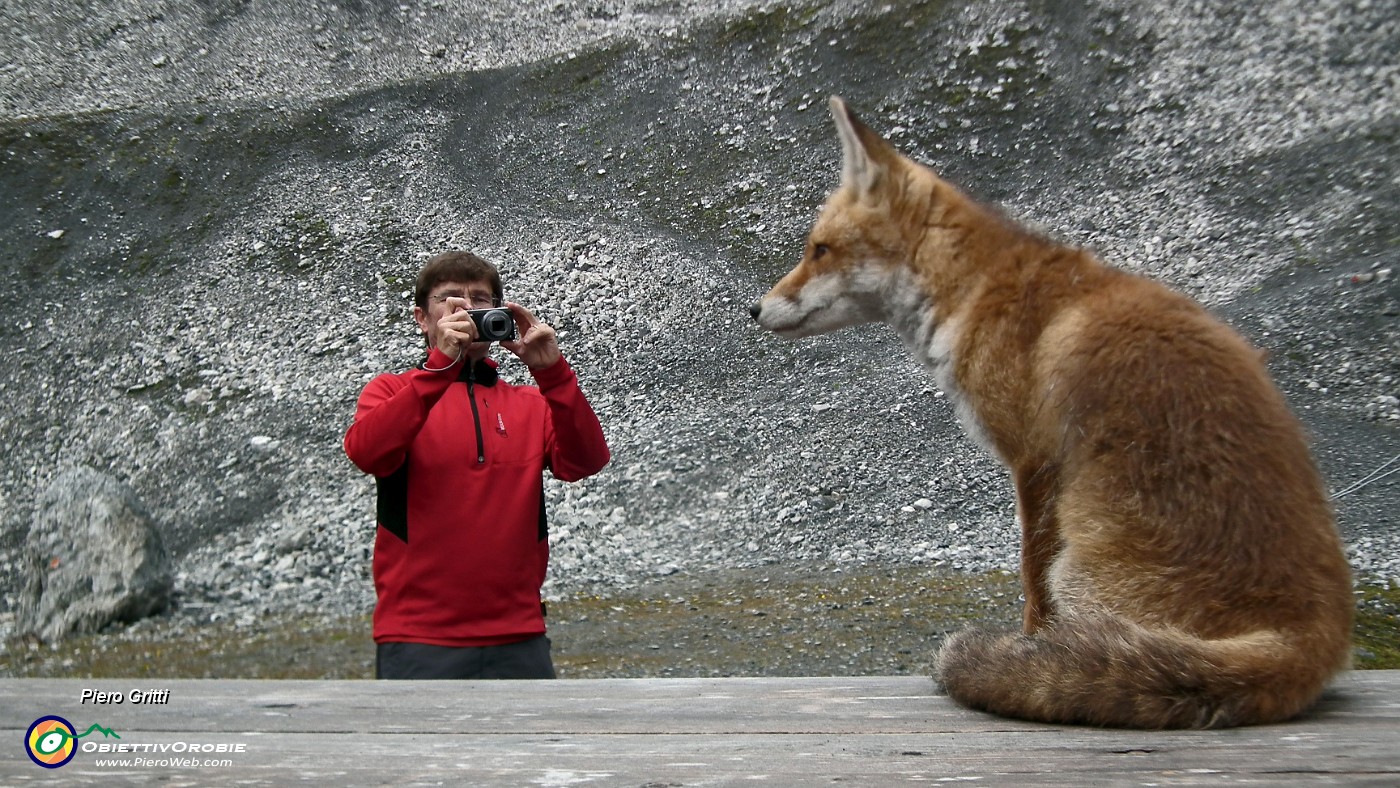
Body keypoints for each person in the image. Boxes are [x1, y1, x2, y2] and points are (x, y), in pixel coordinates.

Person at [344, 250, 610, 679]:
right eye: (450, 298)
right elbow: (366, 452)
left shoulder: (529, 402)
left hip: (519, 636)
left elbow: (586, 461)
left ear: (500, 313)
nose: (467, 308)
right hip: (418, 639)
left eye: (481, 299)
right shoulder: (389, 392)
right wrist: (438, 368)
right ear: (422, 319)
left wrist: (553, 373)